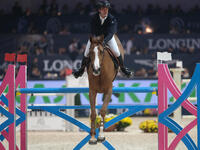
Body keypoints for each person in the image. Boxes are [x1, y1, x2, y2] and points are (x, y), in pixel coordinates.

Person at [73, 0, 133, 78]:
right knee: (86, 51)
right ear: (99, 10)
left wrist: (104, 41)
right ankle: (81, 70)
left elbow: (111, 33)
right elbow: (93, 31)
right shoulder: (94, 18)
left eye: (107, 9)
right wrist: (96, 40)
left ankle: (123, 69)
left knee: (117, 52)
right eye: (103, 9)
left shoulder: (111, 19)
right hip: (96, 37)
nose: (106, 11)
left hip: (108, 38)